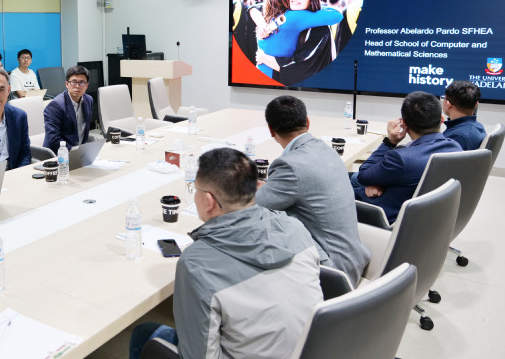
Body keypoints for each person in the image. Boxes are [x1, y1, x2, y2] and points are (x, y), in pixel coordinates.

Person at [129, 148, 322, 359]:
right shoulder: (295, 228)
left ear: (209, 201)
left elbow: (198, 356)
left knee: (143, 333)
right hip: (311, 350)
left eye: (195, 189)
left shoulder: (197, 263)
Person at [256, 95, 370, 285]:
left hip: (331, 274)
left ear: (270, 130)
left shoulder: (289, 165)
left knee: (262, 223)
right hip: (354, 260)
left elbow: (254, 207)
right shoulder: (328, 150)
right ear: (308, 122)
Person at [351, 91, 462, 223]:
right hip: (428, 220)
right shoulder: (456, 148)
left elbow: (363, 175)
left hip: (383, 217)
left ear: (404, 124)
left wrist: (389, 142)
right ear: (442, 119)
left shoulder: (401, 159)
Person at [252, 0, 342, 80]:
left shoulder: (270, 16)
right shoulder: (291, 15)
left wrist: (264, 58)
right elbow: (337, 14)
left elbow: (254, 7)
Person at [43, 66, 92, 154]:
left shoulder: (88, 100)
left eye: (81, 82)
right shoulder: (55, 106)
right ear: (67, 84)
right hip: (57, 154)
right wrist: (75, 151)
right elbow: (53, 139)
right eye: (73, 82)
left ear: (87, 86)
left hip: (79, 153)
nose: (77, 86)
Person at [442, 80, 486, 150]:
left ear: (448, 104)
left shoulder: (456, 137)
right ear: (476, 104)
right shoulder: (478, 127)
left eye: (444, 98)